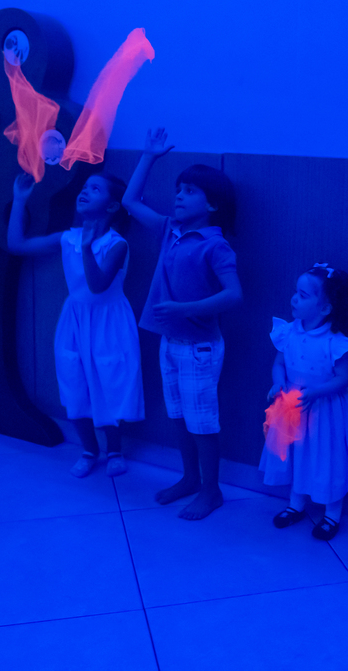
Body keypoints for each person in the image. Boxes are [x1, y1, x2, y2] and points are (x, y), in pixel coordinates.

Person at [123, 127, 242, 520]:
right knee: (177, 415)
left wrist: (183, 308)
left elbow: (234, 295)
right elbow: (129, 201)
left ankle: (212, 490)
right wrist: (148, 156)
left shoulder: (215, 245)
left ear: (213, 205)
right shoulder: (168, 231)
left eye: (190, 191)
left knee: (202, 422)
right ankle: (190, 478)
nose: (179, 195)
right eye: (179, 189)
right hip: (170, 343)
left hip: (199, 348)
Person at [7, 171, 144, 477]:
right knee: (74, 382)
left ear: (112, 206)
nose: (85, 191)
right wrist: (19, 200)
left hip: (109, 323)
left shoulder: (117, 244)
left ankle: (114, 449)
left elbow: (98, 286)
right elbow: (17, 245)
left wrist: (86, 249)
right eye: (84, 186)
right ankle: (88, 449)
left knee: (109, 382)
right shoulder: (67, 237)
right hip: (74, 320)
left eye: (95, 189)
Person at [261, 263, 348, 541]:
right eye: (296, 292)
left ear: (326, 308)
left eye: (303, 295)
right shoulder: (288, 333)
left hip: (324, 410)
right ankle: (296, 504)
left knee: (327, 458)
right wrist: (278, 382)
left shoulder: (335, 342)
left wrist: (317, 391)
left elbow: (343, 378)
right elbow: (279, 364)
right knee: (297, 453)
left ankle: (332, 513)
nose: (294, 299)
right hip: (293, 407)